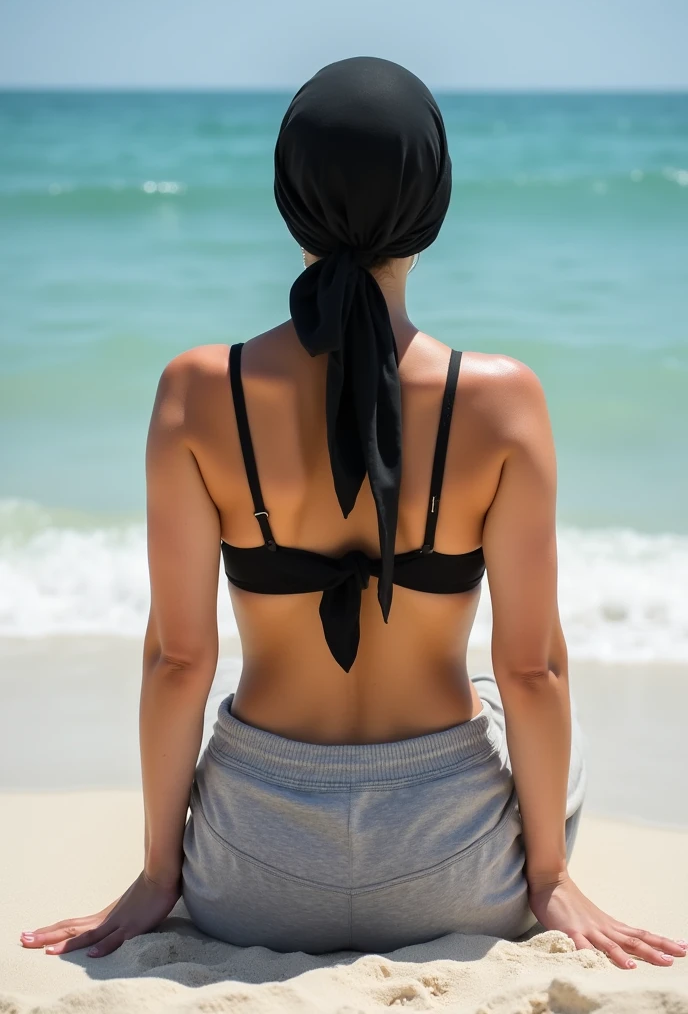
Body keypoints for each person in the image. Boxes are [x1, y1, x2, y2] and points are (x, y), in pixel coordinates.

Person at [20, 57, 685, 971]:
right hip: (454, 869)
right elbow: (532, 669)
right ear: (434, 206)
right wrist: (549, 879)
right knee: (514, 699)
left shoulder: (194, 392)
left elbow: (179, 660)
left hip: (249, 874)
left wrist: (157, 874)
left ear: (288, 199)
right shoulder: (502, 400)